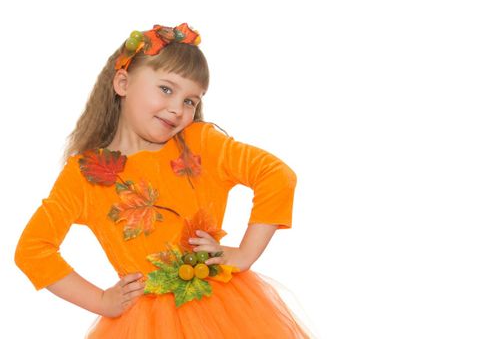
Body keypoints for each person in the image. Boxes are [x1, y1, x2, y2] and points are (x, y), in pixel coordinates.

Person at [14, 23, 312, 338]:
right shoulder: (86, 173)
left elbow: (276, 175)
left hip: (223, 311)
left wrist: (244, 254)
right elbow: (33, 249)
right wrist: (101, 301)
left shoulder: (199, 144)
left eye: (190, 101)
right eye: (167, 89)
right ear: (123, 83)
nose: (177, 109)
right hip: (144, 326)